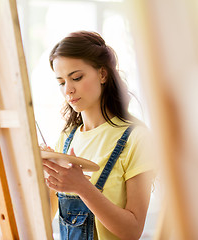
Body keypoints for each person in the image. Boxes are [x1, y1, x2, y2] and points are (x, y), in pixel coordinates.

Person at [42, 31, 155, 240]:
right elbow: (45, 218)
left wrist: (82, 187)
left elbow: (132, 231)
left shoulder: (136, 138)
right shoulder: (66, 138)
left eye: (76, 77)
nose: (68, 90)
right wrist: (42, 175)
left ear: (103, 74)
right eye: (61, 82)